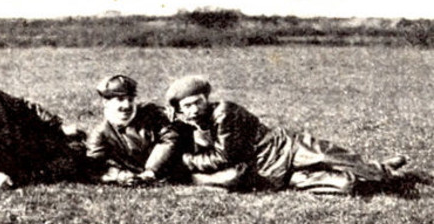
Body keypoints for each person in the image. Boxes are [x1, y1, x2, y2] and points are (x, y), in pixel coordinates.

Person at [164, 75, 408, 194]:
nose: (195, 109)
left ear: (207, 99)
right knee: (339, 181)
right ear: (181, 110)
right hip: (267, 168)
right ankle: (381, 175)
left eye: (198, 102)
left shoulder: (224, 112)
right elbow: (221, 158)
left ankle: (381, 171)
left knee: (328, 155)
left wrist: (187, 160)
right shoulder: (195, 127)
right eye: (188, 106)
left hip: (281, 146)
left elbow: (224, 157)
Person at [86, 74, 190, 185]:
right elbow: (94, 165)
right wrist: (118, 174)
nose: (127, 105)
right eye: (120, 100)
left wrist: (151, 171)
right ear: (106, 103)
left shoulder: (150, 113)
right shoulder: (101, 133)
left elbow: (170, 138)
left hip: (183, 164)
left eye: (130, 100)